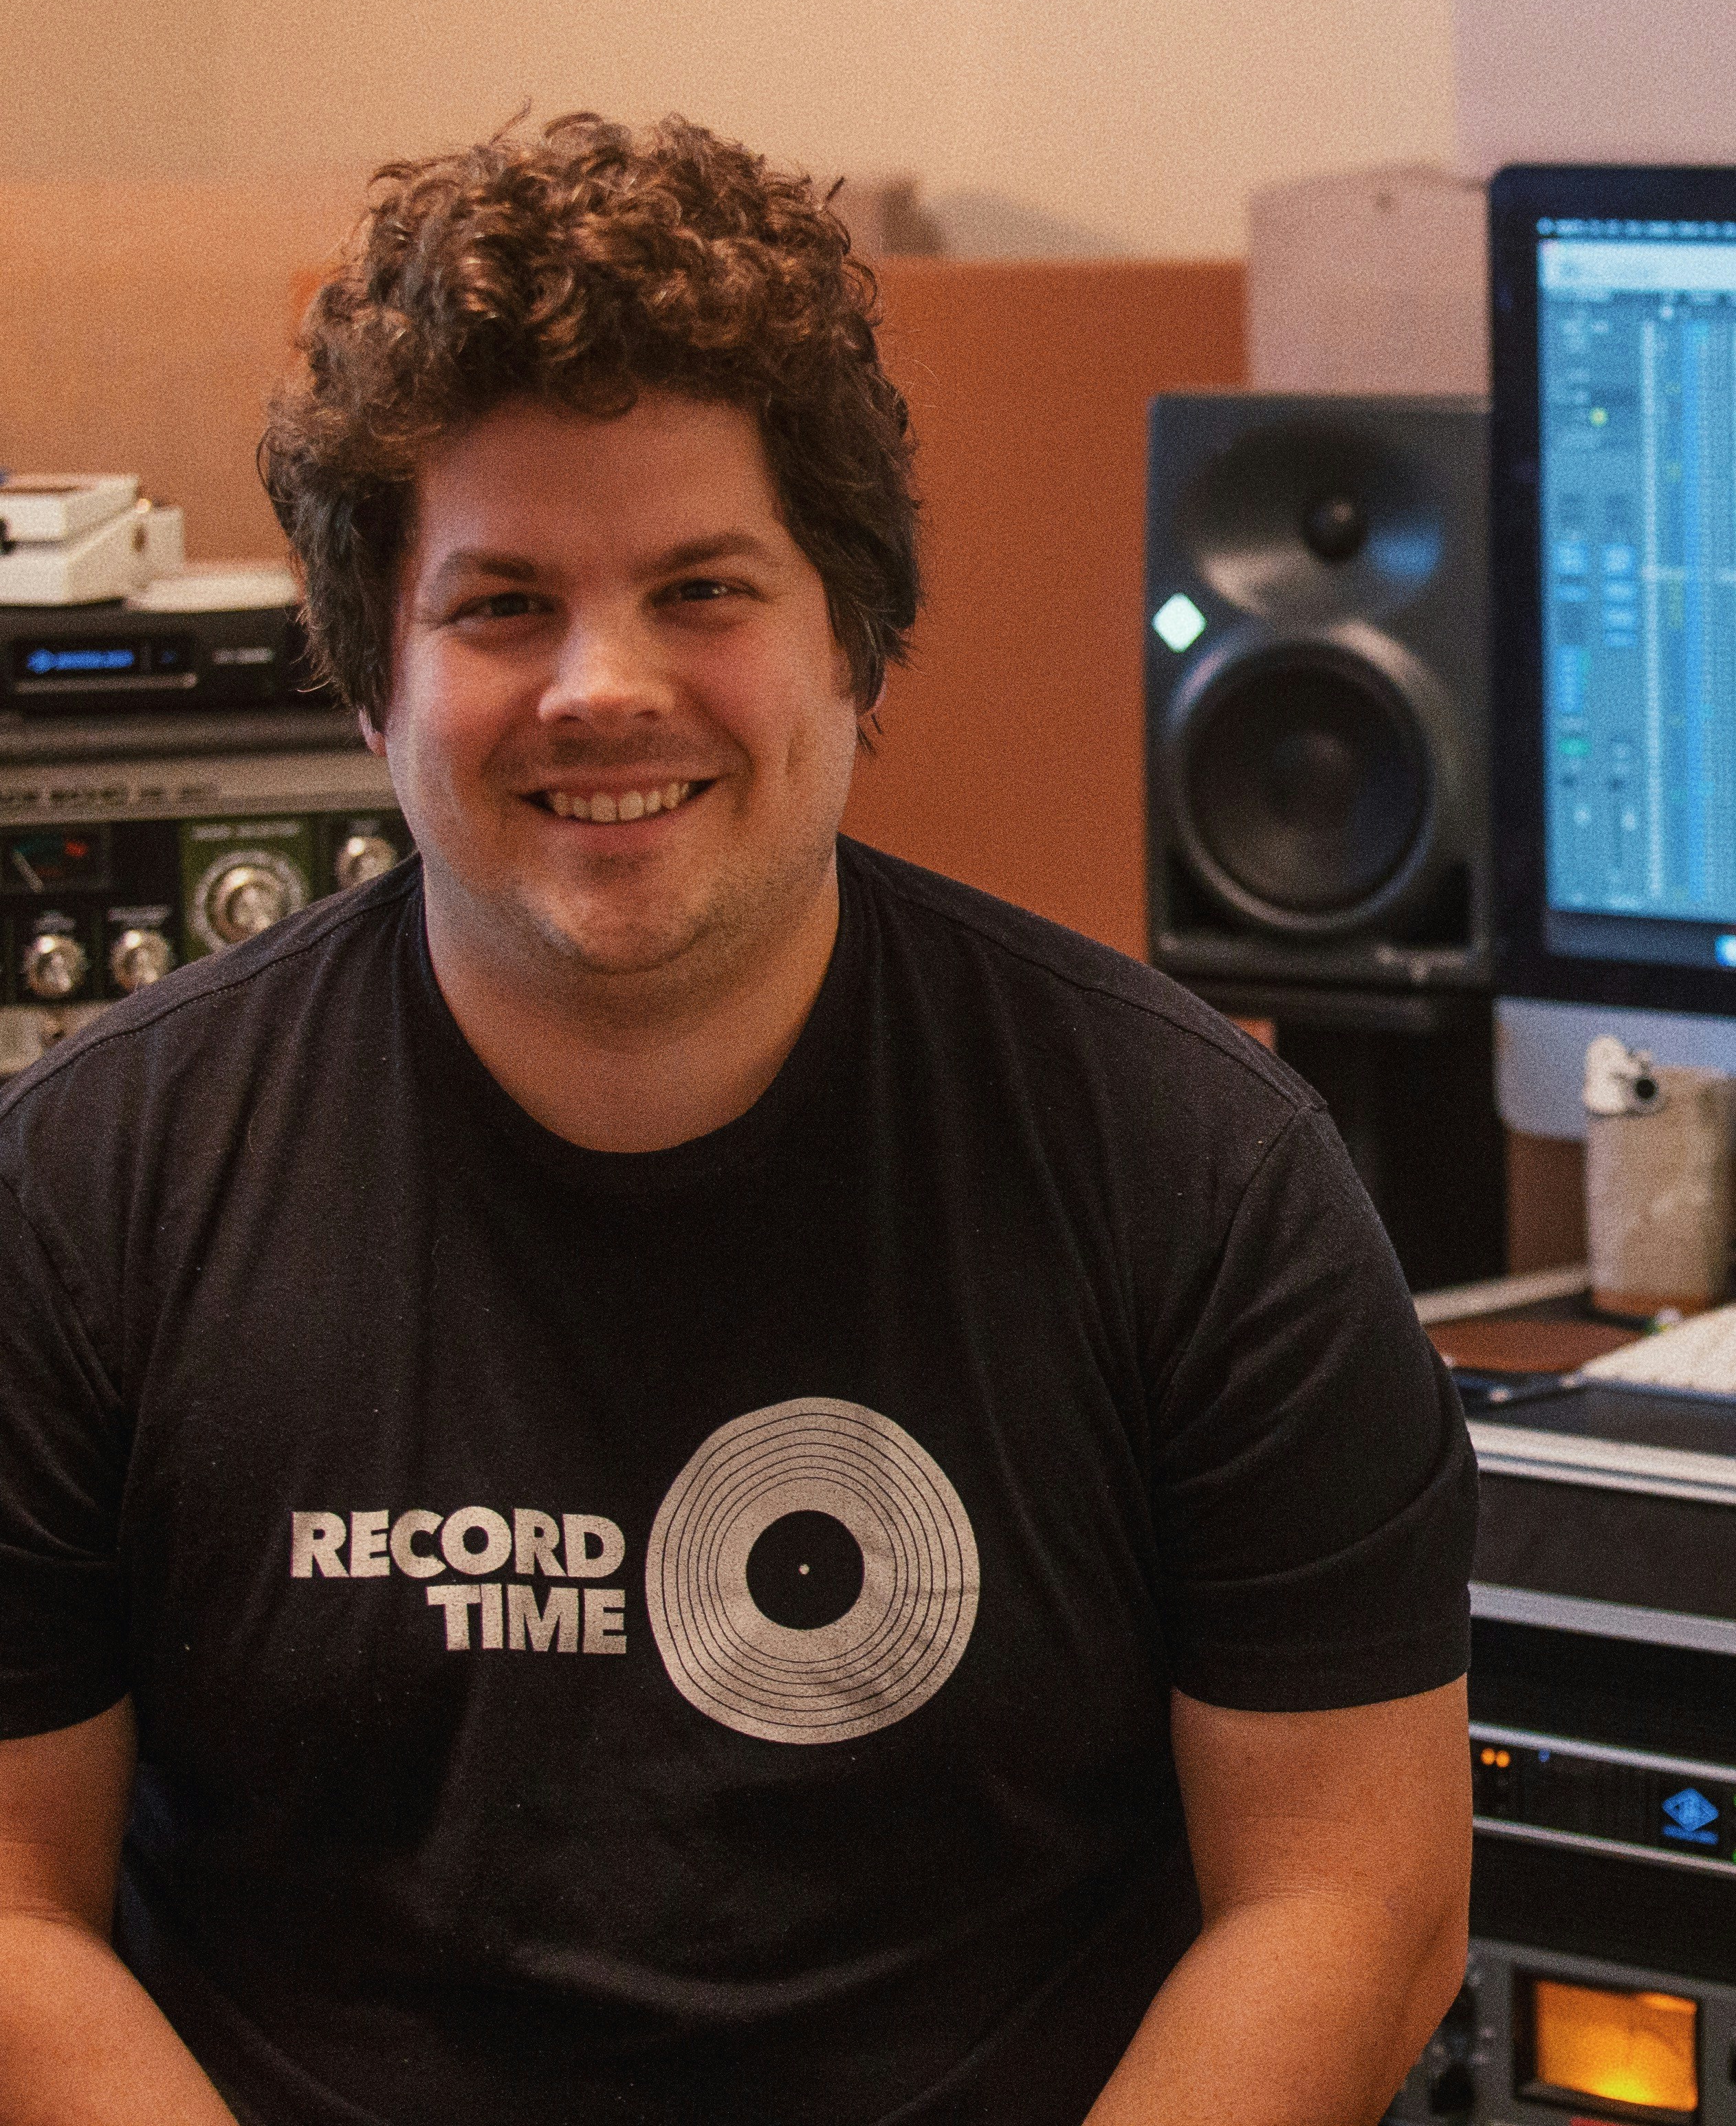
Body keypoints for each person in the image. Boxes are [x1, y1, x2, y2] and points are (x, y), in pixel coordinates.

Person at [0, 114, 1476, 2123]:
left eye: (702, 588)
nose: (603, 690)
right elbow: (13, 1913)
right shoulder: (86, 1195)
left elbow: (1349, 1904)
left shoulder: (1199, 1181)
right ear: (371, 682)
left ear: (854, 647)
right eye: (501, 606)